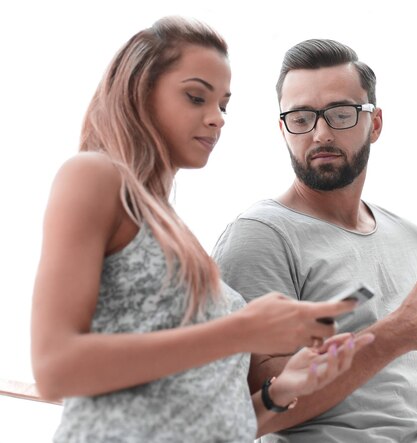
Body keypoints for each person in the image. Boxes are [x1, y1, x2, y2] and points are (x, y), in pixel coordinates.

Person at [30, 18, 374, 443]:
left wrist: (282, 390)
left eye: (224, 105)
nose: (217, 119)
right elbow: (54, 368)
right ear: (141, 90)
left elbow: (201, 418)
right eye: (196, 97)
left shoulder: (175, 232)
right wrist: (244, 330)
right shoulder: (94, 177)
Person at [212, 38, 417, 442]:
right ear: (282, 128)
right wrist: (400, 333)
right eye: (301, 117)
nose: (320, 133)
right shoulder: (260, 235)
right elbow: (250, 409)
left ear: (375, 123)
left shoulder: (407, 235)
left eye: (341, 114)